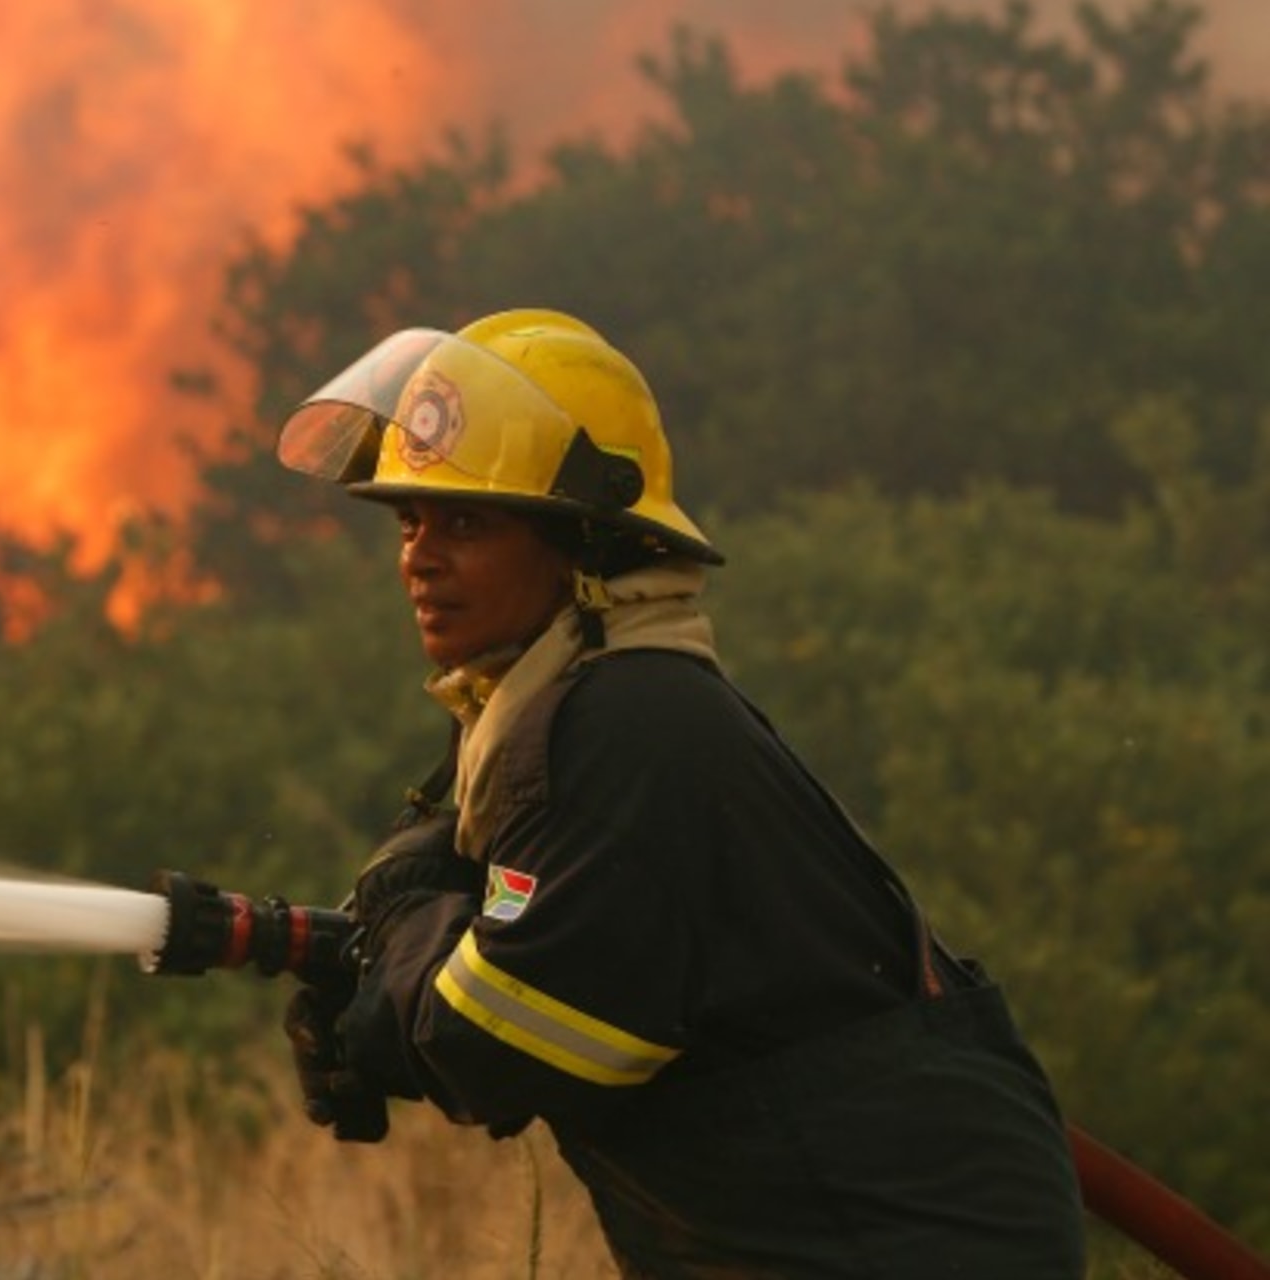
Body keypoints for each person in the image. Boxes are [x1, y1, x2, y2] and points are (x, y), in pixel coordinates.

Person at [274, 309, 1087, 1278]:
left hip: (895, 1239)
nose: (419, 554)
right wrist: (375, 983)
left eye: (467, 521)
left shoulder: (627, 722)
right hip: (831, 1226)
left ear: (585, 542)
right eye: (409, 520)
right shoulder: (564, 707)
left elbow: (514, 1040)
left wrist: (404, 958)